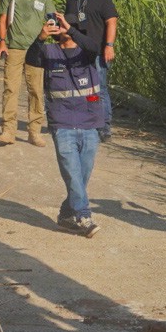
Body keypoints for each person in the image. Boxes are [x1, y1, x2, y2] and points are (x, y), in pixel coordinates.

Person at [32, 14, 110, 237]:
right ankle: (83, 216)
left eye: (68, 25)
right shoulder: (49, 51)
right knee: (73, 174)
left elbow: (94, 46)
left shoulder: (86, 52)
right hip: (63, 123)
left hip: (89, 122)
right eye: (60, 24)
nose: (63, 27)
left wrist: (71, 30)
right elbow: (31, 58)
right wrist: (40, 38)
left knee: (82, 176)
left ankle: (66, 214)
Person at [0, 0, 54, 146]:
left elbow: (52, 20)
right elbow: (3, 20)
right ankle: (8, 131)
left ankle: (34, 131)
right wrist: (2, 42)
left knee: (36, 90)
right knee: (11, 89)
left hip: (36, 50)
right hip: (14, 47)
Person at [62, 0, 119, 140]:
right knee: (80, 89)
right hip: (78, 53)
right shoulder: (72, 1)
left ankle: (104, 127)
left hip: (99, 53)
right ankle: (85, 123)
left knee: (99, 89)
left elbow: (112, 22)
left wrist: (109, 45)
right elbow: (68, 27)